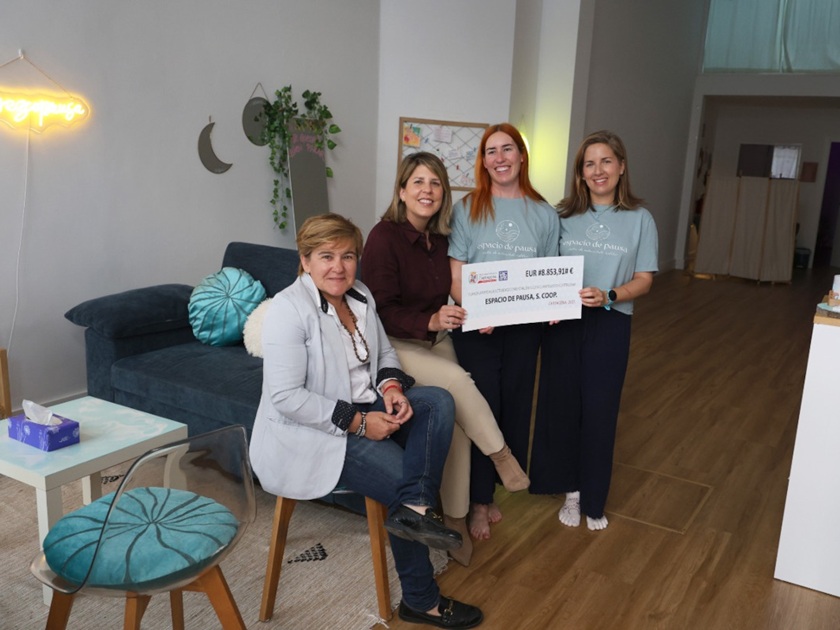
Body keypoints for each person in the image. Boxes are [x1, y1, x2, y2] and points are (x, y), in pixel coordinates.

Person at [250, 213, 483, 629]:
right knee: (398, 483)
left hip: (367, 403)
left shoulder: (360, 295)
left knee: (437, 402)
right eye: (326, 256)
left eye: (348, 256)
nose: (338, 267)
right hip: (315, 433)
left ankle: (416, 507)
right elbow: (286, 398)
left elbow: (384, 354)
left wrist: (392, 388)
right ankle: (421, 600)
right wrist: (359, 423)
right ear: (305, 260)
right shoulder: (288, 309)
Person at [362, 152, 530, 566]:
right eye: (418, 182)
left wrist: (480, 312)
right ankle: (502, 456)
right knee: (458, 381)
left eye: (435, 183)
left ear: (443, 193)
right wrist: (431, 319)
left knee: (455, 418)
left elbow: (460, 287)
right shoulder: (383, 237)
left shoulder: (441, 239)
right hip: (394, 343)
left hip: (435, 339)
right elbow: (380, 311)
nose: (427, 190)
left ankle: (455, 518)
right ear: (402, 191)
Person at [530, 130, 658, 531]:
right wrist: (549, 302)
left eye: (606, 161)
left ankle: (593, 494)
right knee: (563, 406)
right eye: (589, 163)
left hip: (611, 321)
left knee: (600, 410)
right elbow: (544, 269)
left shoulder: (640, 219)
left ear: (621, 167)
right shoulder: (561, 216)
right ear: (580, 173)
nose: (598, 170)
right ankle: (570, 490)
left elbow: (645, 279)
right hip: (563, 323)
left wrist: (610, 295)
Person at [448, 124, 559, 540]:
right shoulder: (467, 208)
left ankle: (491, 491)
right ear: (483, 161)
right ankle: (477, 500)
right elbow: (456, 274)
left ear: (521, 156)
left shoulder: (544, 214)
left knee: (514, 406)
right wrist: (476, 312)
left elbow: (549, 273)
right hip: (477, 328)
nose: (499, 158)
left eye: (507, 149)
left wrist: (552, 305)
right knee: (482, 409)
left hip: (524, 329)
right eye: (490, 151)